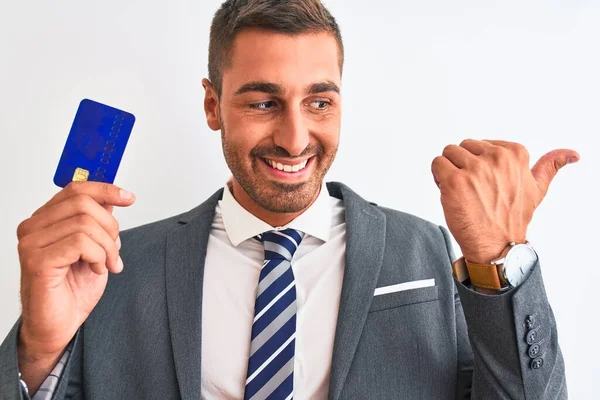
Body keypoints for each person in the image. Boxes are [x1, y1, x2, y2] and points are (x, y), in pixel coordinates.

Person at [0, 0, 577, 399]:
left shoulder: (423, 250)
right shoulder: (116, 267)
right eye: (263, 102)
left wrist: (502, 260)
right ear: (212, 105)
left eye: (319, 102)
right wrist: (38, 349)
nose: (295, 138)